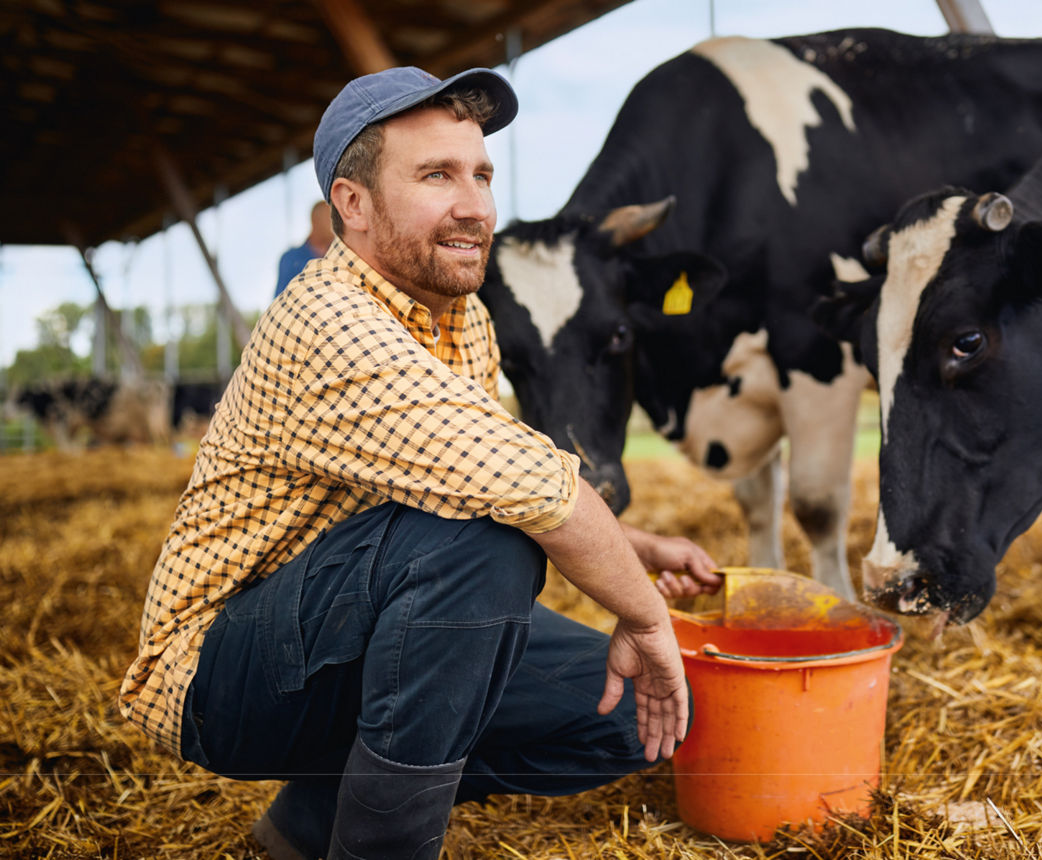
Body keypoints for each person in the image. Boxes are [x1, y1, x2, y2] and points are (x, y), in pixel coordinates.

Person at [119, 65, 723, 860]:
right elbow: (523, 491)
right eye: (436, 175)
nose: (474, 205)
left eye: (481, 174)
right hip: (222, 674)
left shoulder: (460, 317)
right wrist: (645, 614)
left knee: (626, 715)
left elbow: (497, 462)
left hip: (347, 625)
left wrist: (632, 547)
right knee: (482, 546)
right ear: (353, 205)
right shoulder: (329, 321)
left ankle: (307, 824)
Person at [274, 200, 334, 297]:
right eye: (330, 219)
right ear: (315, 221)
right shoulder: (291, 259)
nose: (336, 226)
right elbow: (281, 300)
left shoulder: (340, 256)